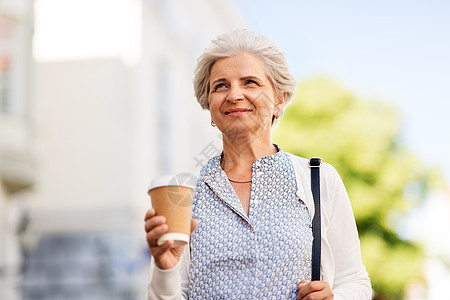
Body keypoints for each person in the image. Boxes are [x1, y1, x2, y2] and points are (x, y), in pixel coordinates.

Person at [144, 29, 372, 299]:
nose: (234, 95)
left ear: (279, 99)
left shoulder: (319, 180)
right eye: (221, 85)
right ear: (210, 108)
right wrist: (164, 268)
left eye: (250, 82)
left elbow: (354, 281)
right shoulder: (184, 191)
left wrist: (334, 298)